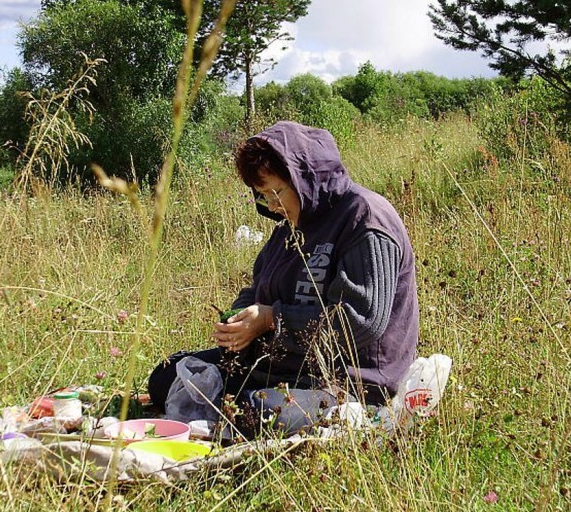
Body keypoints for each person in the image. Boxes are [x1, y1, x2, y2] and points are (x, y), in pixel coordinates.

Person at [148, 121, 419, 421]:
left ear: (306, 177)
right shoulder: (290, 227)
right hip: (279, 366)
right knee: (166, 376)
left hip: (347, 380)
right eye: (262, 194)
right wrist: (239, 320)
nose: (272, 205)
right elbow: (258, 288)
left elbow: (361, 321)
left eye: (276, 191)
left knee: (256, 412)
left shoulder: (363, 218)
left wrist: (270, 320)